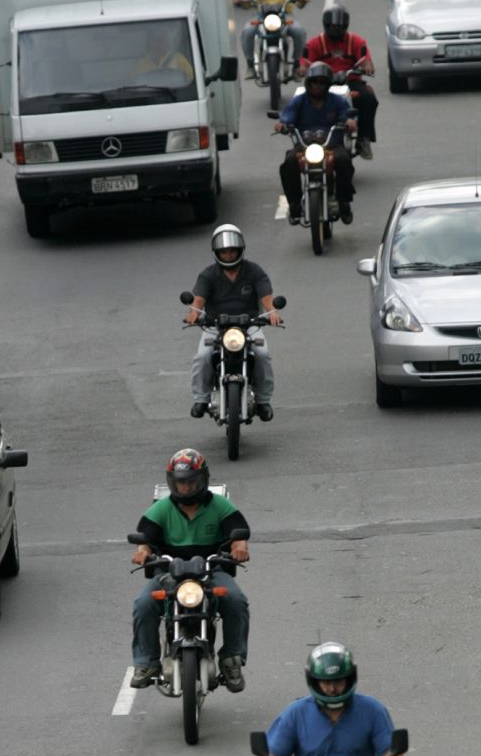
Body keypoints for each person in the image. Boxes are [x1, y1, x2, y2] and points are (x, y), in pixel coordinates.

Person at [129, 449, 252, 690]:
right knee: (143, 604)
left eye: (191, 482)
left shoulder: (219, 505)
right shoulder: (161, 509)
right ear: (172, 483)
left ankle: (232, 658)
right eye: (180, 483)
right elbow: (144, 539)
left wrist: (239, 549)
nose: (185, 488)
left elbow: (239, 535)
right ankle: (146, 663)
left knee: (236, 600)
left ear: (203, 480)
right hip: (168, 571)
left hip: (211, 569)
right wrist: (142, 552)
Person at [258, 642, 408, 756]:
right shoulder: (295, 713)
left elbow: (389, 750)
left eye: (338, 681)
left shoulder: (372, 709)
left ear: (349, 678)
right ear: (314, 681)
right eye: (326, 682)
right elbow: (272, 754)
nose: (332, 689)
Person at [185, 224, 282, 422]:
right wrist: (193, 313)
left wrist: (272, 311)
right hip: (215, 325)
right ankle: (201, 398)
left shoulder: (254, 271)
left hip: (250, 324)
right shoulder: (208, 274)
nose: (228, 255)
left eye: (232, 251)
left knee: (262, 354)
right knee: (202, 356)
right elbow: (199, 299)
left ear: (240, 250)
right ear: (217, 253)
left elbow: (265, 296)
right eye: (224, 252)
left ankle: (263, 400)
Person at [276, 61, 357, 225]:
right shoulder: (299, 101)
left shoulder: (337, 101)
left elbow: (347, 115)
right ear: (308, 83)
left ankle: (344, 201)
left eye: (322, 83)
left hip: (331, 145)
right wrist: (282, 124)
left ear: (327, 85)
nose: (317, 86)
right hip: (304, 146)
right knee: (289, 163)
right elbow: (287, 116)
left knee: (344, 161)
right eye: (314, 82)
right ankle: (294, 204)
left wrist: (349, 122)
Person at [297, 4, 378, 159]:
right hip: (322, 82)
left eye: (340, 27)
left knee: (368, 98)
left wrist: (367, 66)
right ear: (326, 25)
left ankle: (364, 139)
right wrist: (302, 68)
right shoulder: (315, 43)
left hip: (350, 81)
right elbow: (304, 61)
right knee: (304, 101)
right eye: (333, 27)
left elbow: (366, 59)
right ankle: (302, 138)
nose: (336, 30)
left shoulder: (356, 41)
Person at [235, 0, 308, 79]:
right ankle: (250, 65)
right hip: (261, 16)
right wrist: (242, 1)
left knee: (299, 31)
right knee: (247, 31)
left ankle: (296, 64)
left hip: (285, 15)